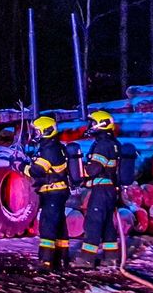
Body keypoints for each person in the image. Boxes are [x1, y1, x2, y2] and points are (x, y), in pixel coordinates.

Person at [20, 115, 71, 271]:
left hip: (53, 192)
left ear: (46, 131)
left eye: (37, 132)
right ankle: (62, 259)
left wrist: (20, 167)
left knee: (48, 225)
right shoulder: (56, 146)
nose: (35, 135)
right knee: (60, 225)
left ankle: (45, 262)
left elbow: (37, 171)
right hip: (59, 191)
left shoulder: (49, 149)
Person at [80, 109, 121, 268]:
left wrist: (80, 169)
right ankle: (111, 258)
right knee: (107, 225)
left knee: (93, 222)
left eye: (93, 122)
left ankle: (87, 259)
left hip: (101, 190)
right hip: (109, 190)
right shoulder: (112, 143)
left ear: (101, 124)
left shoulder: (103, 145)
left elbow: (94, 169)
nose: (90, 125)